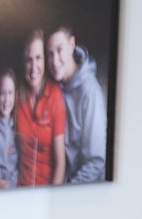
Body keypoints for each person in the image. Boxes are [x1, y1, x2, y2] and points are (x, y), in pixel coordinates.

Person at [46, 25, 108, 183]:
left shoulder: (90, 91)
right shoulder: (52, 87)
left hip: (82, 194)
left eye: (59, 50)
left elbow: (96, 161)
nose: (54, 61)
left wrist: (64, 195)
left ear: (72, 44)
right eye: (50, 54)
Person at [15, 29, 65, 187]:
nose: (34, 66)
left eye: (38, 58)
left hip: (46, 195)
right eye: (29, 60)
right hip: (18, 192)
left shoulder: (55, 95)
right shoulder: (18, 98)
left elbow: (60, 164)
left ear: (44, 60)